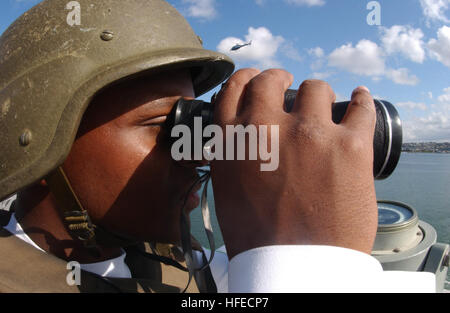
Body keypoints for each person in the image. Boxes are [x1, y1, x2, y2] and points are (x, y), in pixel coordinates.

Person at [0, 0, 435, 293]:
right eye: (164, 127)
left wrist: (285, 227)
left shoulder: (164, 259)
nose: (198, 151)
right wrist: (307, 261)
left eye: (194, 122)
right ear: (41, 150)